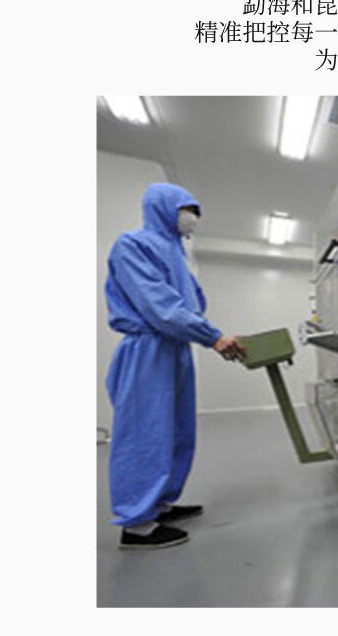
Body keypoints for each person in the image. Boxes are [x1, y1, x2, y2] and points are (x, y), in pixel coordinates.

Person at [104, 182, 246, 550]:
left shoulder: (176, 253)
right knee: (144, 434)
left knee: (176, 431)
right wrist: (212, 337)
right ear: (162, 207)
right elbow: (160, 306)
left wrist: (208, 334)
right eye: (187, 209)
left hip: (176, 349)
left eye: (196, 211)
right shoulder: (133, 245)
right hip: (148, 351)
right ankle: (136, 525)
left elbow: (190, 305)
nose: (192, 217)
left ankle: (160, 504)